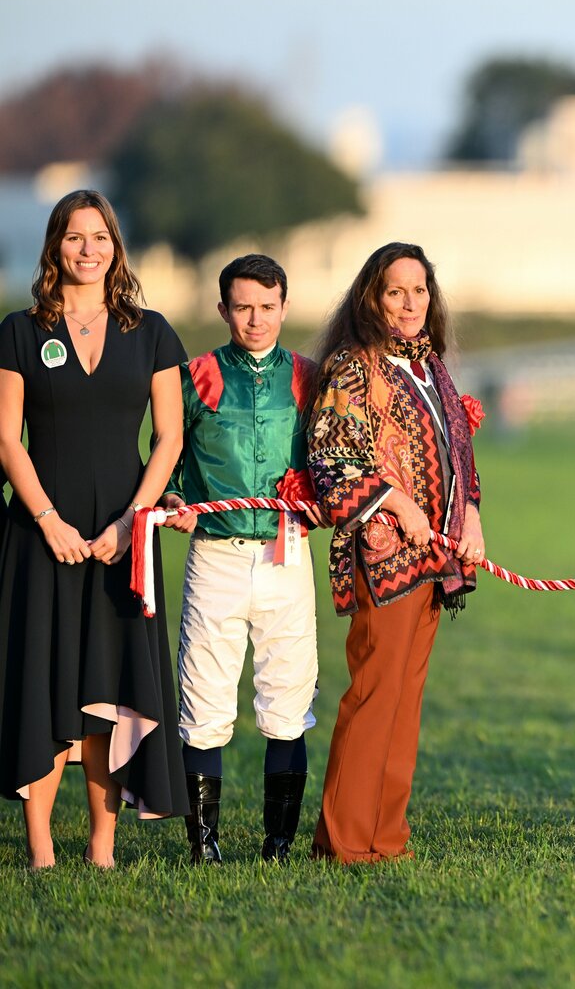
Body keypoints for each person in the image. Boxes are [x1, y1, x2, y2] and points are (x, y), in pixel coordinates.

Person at [0, 189, 188, 868]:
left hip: (123, 542)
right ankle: (42, 849)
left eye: (100, 236)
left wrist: (133, 520)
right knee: (43, 683)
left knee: (108, 693)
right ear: (55, 246)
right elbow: (7, 441)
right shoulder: (20, 332)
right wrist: (47, 520)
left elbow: (168, 439)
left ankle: (102, 849)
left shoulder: (154, 332)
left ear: (116, 245)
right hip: (38, 538)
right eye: (75, 237)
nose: (88, 249)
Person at [305, 242, 483, 864]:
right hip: (384, 556)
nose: (411, 304)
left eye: (420, 291)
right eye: (395, 292)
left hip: (436, 559)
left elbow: (458, 451)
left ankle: (386, 837)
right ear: (371, 299)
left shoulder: (431, 366)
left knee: (406, 703)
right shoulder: (353, 367)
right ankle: (346, 840)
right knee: (374, 695)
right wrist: (395, 503)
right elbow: (332, 458)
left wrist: (473, 518)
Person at [160, 254, 328, 863]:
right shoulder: (195, 376)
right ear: (223, 308)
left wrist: (321, 500)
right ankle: (204, 844)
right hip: (216, 554)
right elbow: (167, 460)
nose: (255, 320)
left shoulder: (311, 378)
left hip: (288, 554)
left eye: (266, 306)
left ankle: (278, 844)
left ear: (284, 305)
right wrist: (174, 497)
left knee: (288, 699)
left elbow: (333, 463)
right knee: (204, 701)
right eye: (242, 307)